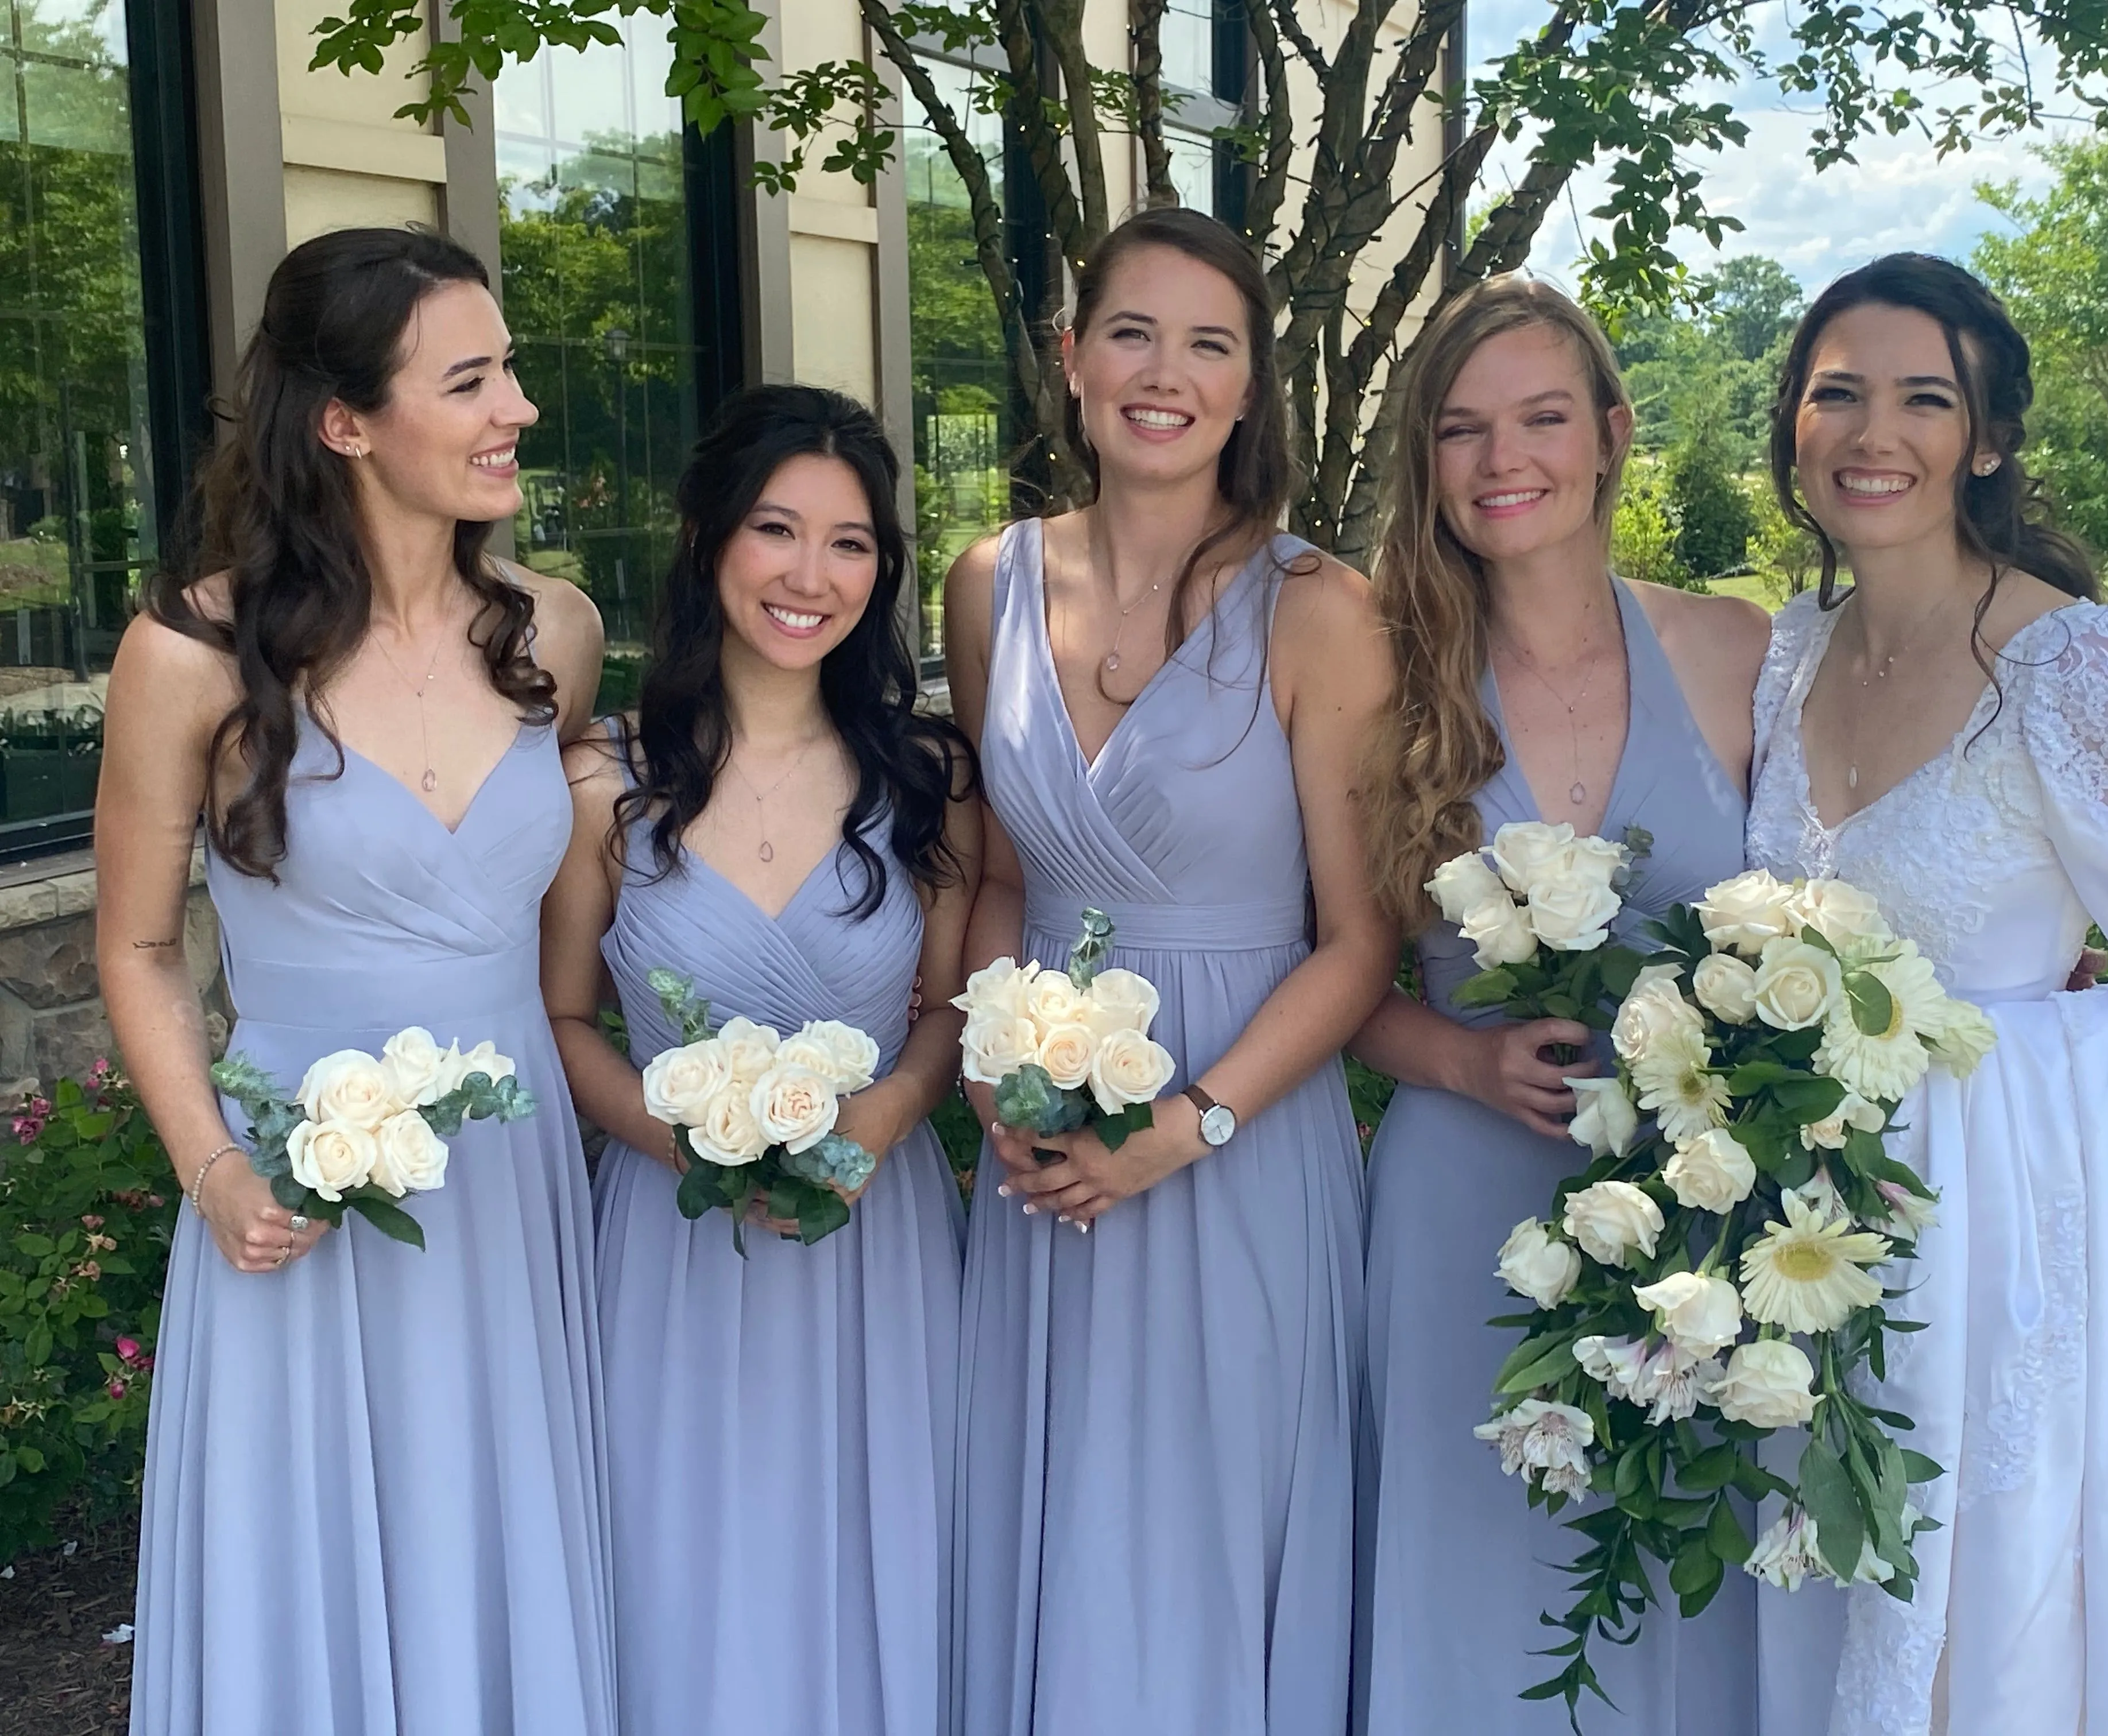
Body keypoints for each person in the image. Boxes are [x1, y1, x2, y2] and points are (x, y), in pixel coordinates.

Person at [1746, 252, 2108, 1735]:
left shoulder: (2080, 668)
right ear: (1793, 430)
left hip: (2002, 1272)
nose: (1876, 433)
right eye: (1839, 394)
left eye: (1924, 399)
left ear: (1986, 439)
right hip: (1804, 1258)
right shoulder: (1787, 658)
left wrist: (1970, 1077)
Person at [96, 227, 612, 1734]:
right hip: (290, 1201)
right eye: (471, 379)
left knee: (494, 1560)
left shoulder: (554, 632)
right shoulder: (191, 652)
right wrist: (214, 1173)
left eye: (508, 368)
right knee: (305, 1590)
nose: (516, 404)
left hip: (509, 1200)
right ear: (345, 421)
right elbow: (132, 947)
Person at [943, 206, 1397, 1735]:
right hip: (1044, 1148)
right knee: (1054, 1518)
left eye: (1211, 345)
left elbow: (1359, 942)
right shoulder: (986, 585)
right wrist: (994, 1074)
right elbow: (1003, 874)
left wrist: (1187, 1126)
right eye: (1133, 332)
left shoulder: (1320, 611)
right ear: (1071, 361)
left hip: (1240, 1143)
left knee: (1214, 1530)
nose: (1166, 373)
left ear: (1251, 386)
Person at [1348, 275, 1769, 1735]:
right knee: (1479, 1584)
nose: (1502, 459)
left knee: (1676, 1578)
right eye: (1462, 430)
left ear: (1611, 432)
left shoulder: (1737, 648)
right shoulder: (1389, 679)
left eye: (1539, 418)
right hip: (1465, 1198)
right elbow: (1333, 971)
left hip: (1702, 1202)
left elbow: (1847, 893)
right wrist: (1459, 1065)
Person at [541, 383, 979, 1736]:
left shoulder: (927, 774)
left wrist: (895, 1114)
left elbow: (952, 1008)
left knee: (890, 1570)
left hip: (881, 1240)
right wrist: (682, 1143)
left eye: (850, 543)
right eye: (776, 531)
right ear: (707, 539)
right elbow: (560, 1022)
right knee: (681, 1583)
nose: (810, 576)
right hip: (672, 1252)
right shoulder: (602, 783)